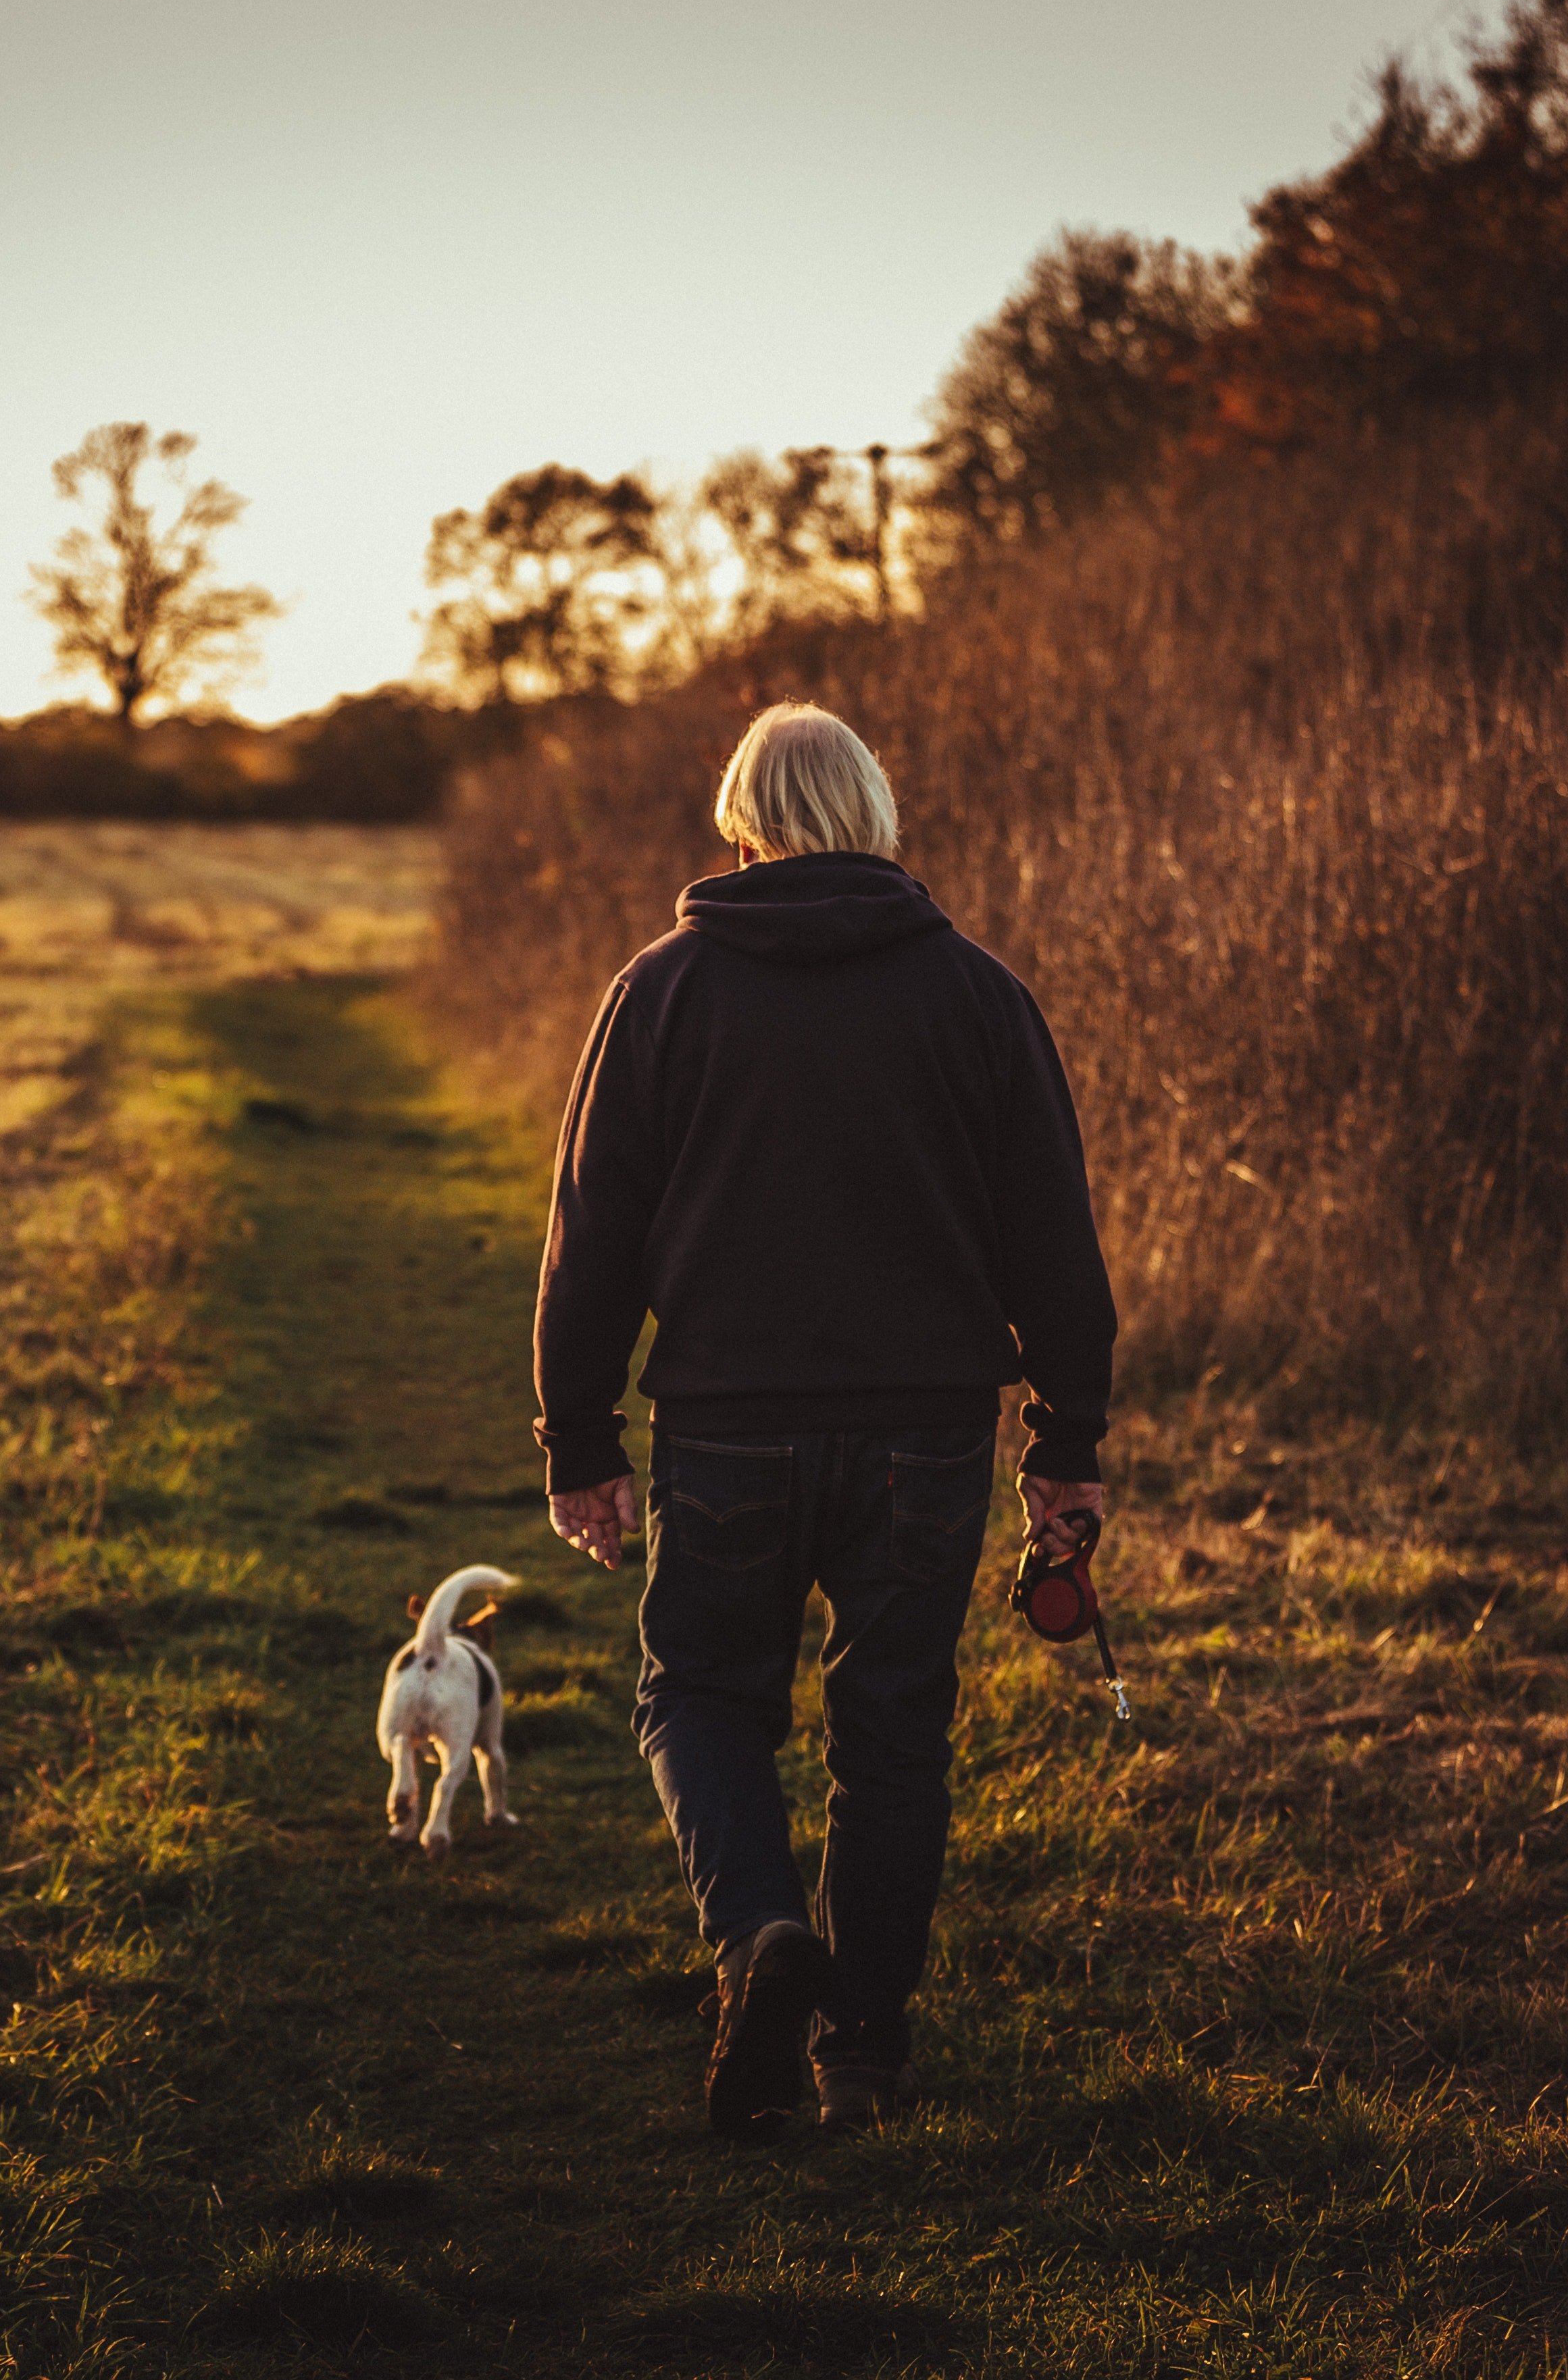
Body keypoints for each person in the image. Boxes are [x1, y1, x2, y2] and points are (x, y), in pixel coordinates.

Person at [535, 701, 1116, 2137]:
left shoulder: (659, 993)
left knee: (697, 1697)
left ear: (737, 820)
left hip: (726, 1425)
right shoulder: (977, 994)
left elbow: (590, 1233)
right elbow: (1055, 1244)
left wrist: (581, 1439)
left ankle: (755, 1938)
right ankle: (859, 2052)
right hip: (925, 1435)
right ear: (874, 816)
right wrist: (1065, 1444)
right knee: (893, 1735)